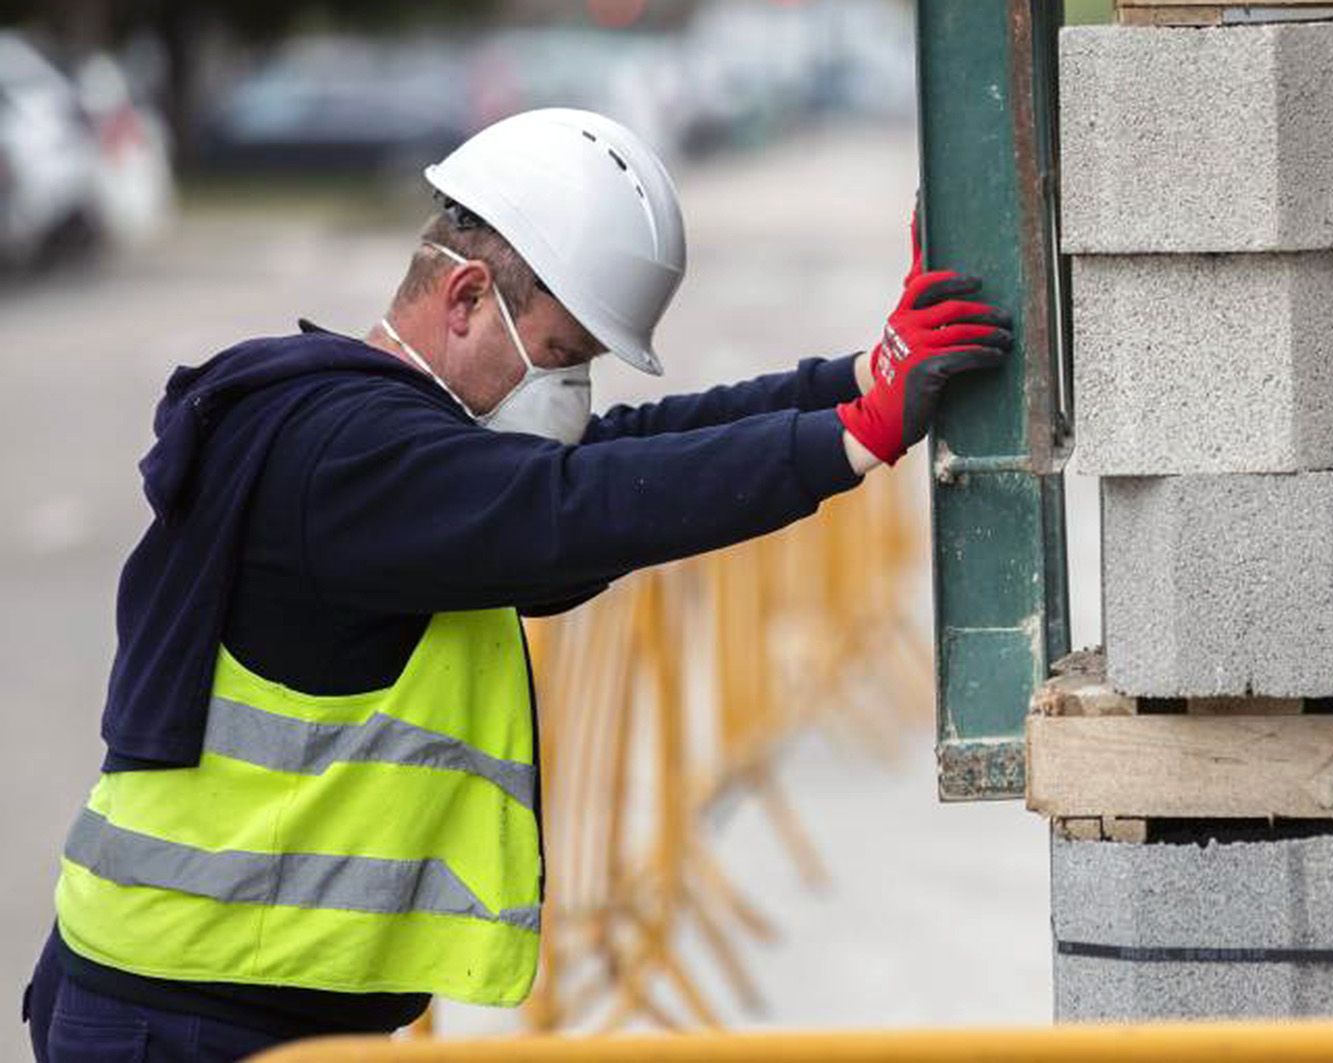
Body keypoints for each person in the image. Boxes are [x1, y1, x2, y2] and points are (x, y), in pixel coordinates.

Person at [21, 108, 1012, 1061]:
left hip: (233, 992)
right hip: (181, 1012)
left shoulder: (377, 437)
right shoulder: (348, 456)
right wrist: (849, 439)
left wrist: (855, 381)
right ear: (463, 299)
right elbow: (572, 506)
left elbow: (615, 454)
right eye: (563, 356)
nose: (572, 392)